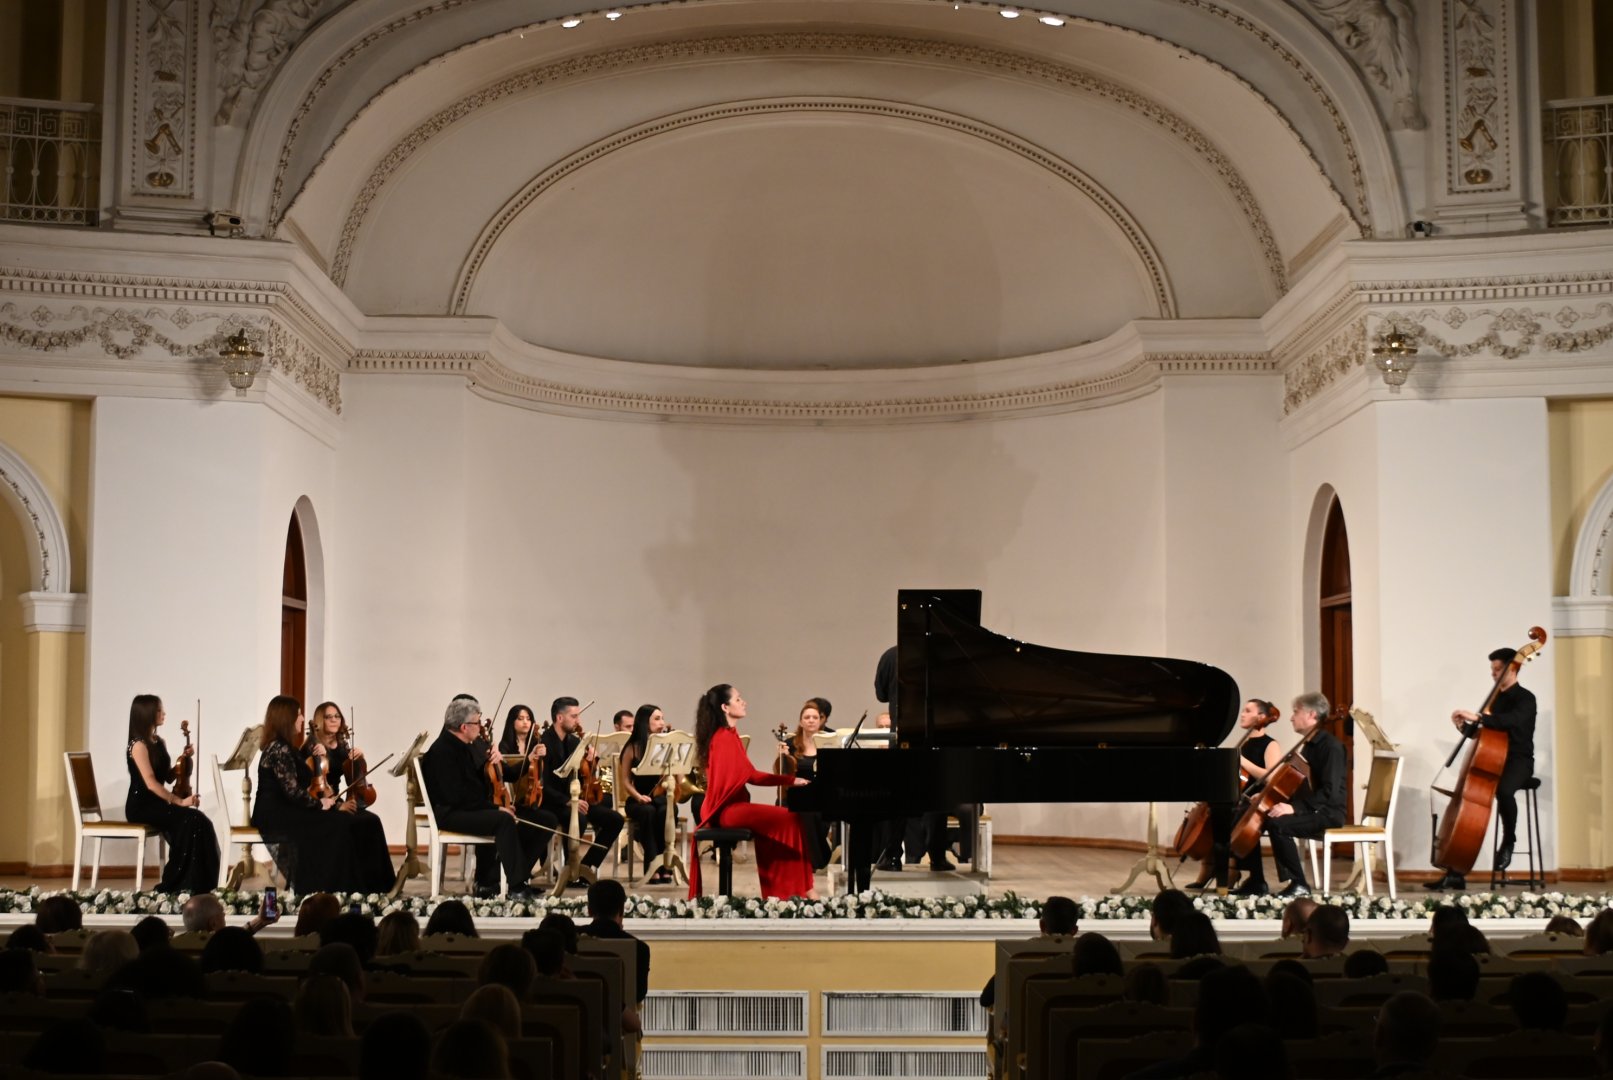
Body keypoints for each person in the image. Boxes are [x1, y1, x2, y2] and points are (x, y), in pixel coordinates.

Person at [251, 695, 396, 894]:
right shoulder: (279, 749)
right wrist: (322, 805)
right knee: (337, 825)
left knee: (350, 822)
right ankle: (332, 888)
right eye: (299, 715)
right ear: (287, 718)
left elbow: (297, 791)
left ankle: (373, 885)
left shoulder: (285, 746)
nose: (302, 719)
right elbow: (292, 791)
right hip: (275, 812)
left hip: (289, 807)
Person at [687, 684, 816, 900]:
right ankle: (799, 891)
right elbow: (747, 777)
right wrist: (790, 779)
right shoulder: (723, 738)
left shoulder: (729, 734)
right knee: (790, 818)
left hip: (732, 807)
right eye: (738, 699)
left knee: (786, 821)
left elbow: (750, 774)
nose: (743, 701)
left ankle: (789, 890)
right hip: (725, 810)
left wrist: (791, 779)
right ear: (725, 707)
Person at [1428, 645, 1538, 890]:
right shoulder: (1495, 701)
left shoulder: (1526, 698)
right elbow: (1484, 735)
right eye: (1492, 669)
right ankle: (1454, 871)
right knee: (1467, 802)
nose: (1493, 674)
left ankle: (1509, 839)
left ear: (1514, 668)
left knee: (1504, 791)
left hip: (1519, 760)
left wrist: (1479, 717)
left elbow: (1511, 721)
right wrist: (1462, 727)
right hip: (1493, 759)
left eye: (1498, 669)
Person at [421, 696, 542, 898]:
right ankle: (517, 887)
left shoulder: (463, 745)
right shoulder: (443, 751)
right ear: (463, 726)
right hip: (450, 813)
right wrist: (495, 808)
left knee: (512, 817)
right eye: (477, 722)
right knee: (503, 820)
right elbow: (458, 796)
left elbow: (474, 786)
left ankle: (509, 882)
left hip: (463, 808)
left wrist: (492, 763)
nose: (481, 727)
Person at [1233, 692, 1344, 898]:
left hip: (1327, 812)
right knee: (1254, 814)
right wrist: (1267, 798)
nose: (1291, 717)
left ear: (1311, 715)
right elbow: (1298, 786)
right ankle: (1257, 880)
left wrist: (1294, 808)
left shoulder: (1331, 747)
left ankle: (1300, 884)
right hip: (1311, 807)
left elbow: (1329, 792)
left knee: (1279, 824)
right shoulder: (1308, 746)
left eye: (1296, 712)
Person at [124, 694, 220, 892]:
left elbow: (166, 778)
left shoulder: (159, 742)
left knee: (200, 820)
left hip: (158, 802)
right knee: (190, 820)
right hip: (142, 805)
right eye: (159, 710)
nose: (163, 713)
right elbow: (150, 783)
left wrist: (183, 760)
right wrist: (179, 801)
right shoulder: (138, 746)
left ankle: (203, 882)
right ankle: (177, 882)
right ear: (146, 714)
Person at [1189, 699, 1283, 889]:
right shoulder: (1244, 744)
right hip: (1241, 798)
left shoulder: (1270, 744)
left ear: (1261, 717)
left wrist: (1242, 761)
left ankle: (1238, 872)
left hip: (1258, 800)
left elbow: (1272, 777)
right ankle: (1209, 868)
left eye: (1248, 711)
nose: (1242, 714)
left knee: (1231, 815)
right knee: (1215, 813)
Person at [541, 696, 625, 875]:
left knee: (615, 819)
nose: (578, 721)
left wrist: (590, 762)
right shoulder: (543, 742)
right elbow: (543, 785)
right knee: (578, 818)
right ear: (559, 718)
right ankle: (569, 869)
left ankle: (585, 867)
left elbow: (582, 777)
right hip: (552, 803)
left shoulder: (574, 742)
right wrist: (568, 801)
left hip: (575, 801)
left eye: (578, 716)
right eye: (574, 716)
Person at [979, 894, 1077, 1008]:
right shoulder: (1086, 954)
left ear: (1042, 925)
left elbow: (986, 999)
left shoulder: (1020, 954)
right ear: (1074, 930)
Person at [618, 704, 675, 883]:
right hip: (637, 799)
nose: (662, 723)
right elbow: (626, 781)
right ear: (645, 722)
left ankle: (665, 865)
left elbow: (678, 778)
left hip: (660, 798)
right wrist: (638, 796)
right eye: (657, 719)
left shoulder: (666, 747)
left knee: (665, 810)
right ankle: (652, 866)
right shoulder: (632, 748)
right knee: (648, 812)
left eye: (662, 718)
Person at [497, 704, 563, 851]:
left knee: (549, 816)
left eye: (528, 718)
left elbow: (546, 773)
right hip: (517, 800)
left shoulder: (537, 743)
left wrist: (545, 756)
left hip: (535, 796)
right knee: (543, 819)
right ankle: (523, 858)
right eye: (520, 719)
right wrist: (530, 757)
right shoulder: (505, 746)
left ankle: (542, 860)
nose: (526, 722)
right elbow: (508, 774)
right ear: (512, 722)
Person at [780, 699, 831, 870]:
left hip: (822, 794)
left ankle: (812, 857)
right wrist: (783, 758)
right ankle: (816, 859)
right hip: (796, 794)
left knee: (813, 810)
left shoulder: (828, 744)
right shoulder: (790, 744)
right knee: (805, 809)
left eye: (815, 717)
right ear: (801, 721)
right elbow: (782, 775)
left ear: (820, 721)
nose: (810, 720)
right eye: (807, 717)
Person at [583, 878, 651, 1002]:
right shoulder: (640, 949)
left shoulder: (572, 938)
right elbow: (638, 995)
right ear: (621, 910)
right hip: (620, 1019)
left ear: (589, 910)